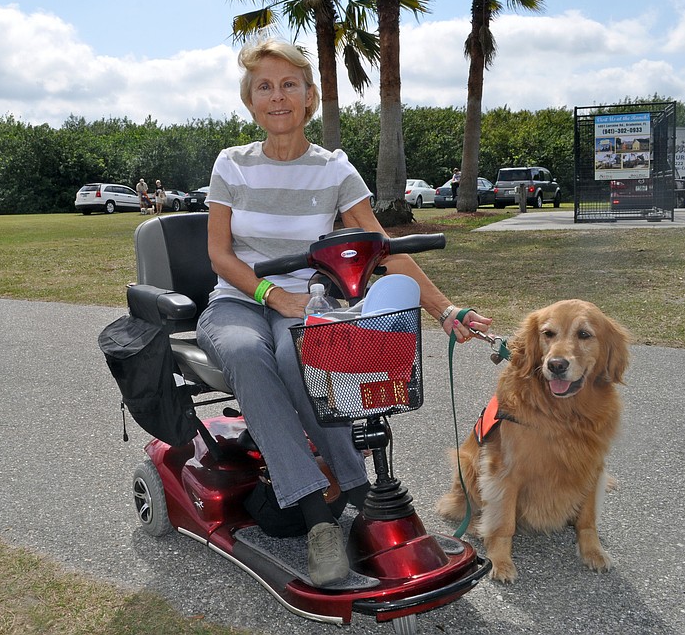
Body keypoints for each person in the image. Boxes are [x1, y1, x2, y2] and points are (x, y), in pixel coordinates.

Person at [197, 38, 492, 587]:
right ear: (250, 99)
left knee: (300, 358)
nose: (278, 96)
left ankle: (360, 496)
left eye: (290, 85)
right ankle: (318, 520)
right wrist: (270, 295)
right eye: (265, 86)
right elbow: (219, 254)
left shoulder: (334, 169)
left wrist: (446, 310)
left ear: (309, 97)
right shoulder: (231, 165)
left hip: (307, 304)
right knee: (245, 351)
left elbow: (383, 248)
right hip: (240, 301)